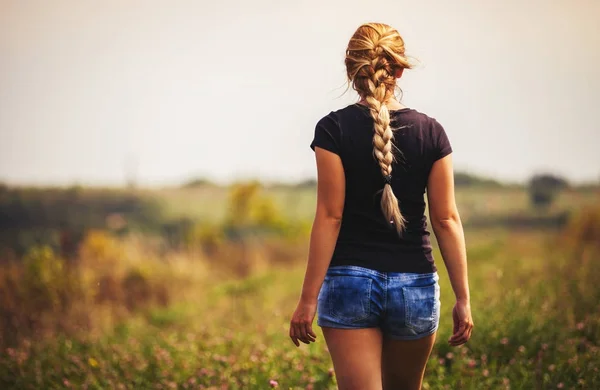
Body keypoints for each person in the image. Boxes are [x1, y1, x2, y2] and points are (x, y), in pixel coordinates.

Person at [289, 22, 473, 390]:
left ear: (351, 70)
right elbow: (447, 219)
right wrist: (463, 298)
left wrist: (307, 301)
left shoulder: (332, 130)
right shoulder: (431, 132)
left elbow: (330, 216)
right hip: (415, 285)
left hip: (348, 284)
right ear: (400, 68)